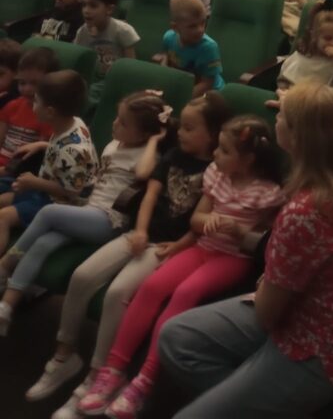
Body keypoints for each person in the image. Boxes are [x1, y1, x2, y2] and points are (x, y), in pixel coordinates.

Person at [158, 83, 333, 418]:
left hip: (319, 347)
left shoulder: (304, 211)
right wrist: (297, 102)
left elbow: (268, 314)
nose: (275, 117)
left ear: (297, 136)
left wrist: (268, 282)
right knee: (176, 337)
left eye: (282, 115)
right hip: (307, 309)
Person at [27, 93, 232, 415]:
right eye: (182, 126)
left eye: (190, 128)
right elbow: (149, 194)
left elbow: (204, 220)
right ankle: (64, 357)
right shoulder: (174, 154)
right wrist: (140, 230)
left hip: (166, 247)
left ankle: (96, 377)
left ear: (213, 134)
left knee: (117, 293)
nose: (181, 132)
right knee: (82, 276)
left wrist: (175, 245)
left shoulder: (218, 170)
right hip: (138, 234)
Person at [80, 115, 285, 418]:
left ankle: (144, 381)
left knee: (185, 293)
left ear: (248, 159)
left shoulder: (268, 193)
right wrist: (207, 221)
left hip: (233, 258)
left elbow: (268, 241)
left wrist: (241, 231)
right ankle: (113, 369)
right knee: (151, 286)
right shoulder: (216, 174)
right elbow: (197, 220)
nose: (215, 155)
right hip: (202, 248)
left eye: (224, 150)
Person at [0, 91, 171, 336]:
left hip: (108, 220)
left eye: (123, 123)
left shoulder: (147, 155)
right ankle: (6, 307)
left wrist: (154, 141)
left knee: (48, 213)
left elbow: (144, 173)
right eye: (117, 117)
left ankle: (6, 264)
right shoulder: (114, 144)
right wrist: (45, 145)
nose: (115, 124)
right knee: (44, 243)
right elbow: (92, 165)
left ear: (144, 135)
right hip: (88, 210)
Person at [0, 69, 97, 256]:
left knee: (3, 217)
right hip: (45, 190)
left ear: (50, 112)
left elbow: (73, 191)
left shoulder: (74, 150)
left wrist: (34, 182)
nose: (32, 105)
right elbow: (63, 147)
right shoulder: (72, 121)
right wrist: (42, 145)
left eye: (36, 101)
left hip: (60, 204)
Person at [75, 0, 140, 109]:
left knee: (90, 94)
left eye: (93, 6)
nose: (86, 10)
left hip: (114, 80)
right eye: (84, 5)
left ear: (109, 9)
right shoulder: (82, 31)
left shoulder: (123, 30)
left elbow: (131, 65)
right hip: (92, 78)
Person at [276, 3, 333, 93]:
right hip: (293, 96)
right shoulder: (301, 56)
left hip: (322, 100)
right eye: (328, 38)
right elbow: (284, 82)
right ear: (314, 36)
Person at [0, 46, 57, 168]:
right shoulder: (12, 106)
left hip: (19, 170)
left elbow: (36, 159)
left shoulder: (47, 115)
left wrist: (5, 170)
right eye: (22, 83)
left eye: (35, 83)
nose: (27, 89)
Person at [157, 0, 224, 96]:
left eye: (203, 23)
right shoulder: (169, 38)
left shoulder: (209, 47)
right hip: (182, 85)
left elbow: (207, 84)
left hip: (208, 93)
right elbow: (165, 56)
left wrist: (181, 97)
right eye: (192, 26)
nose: (200, 30)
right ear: (175, 27)